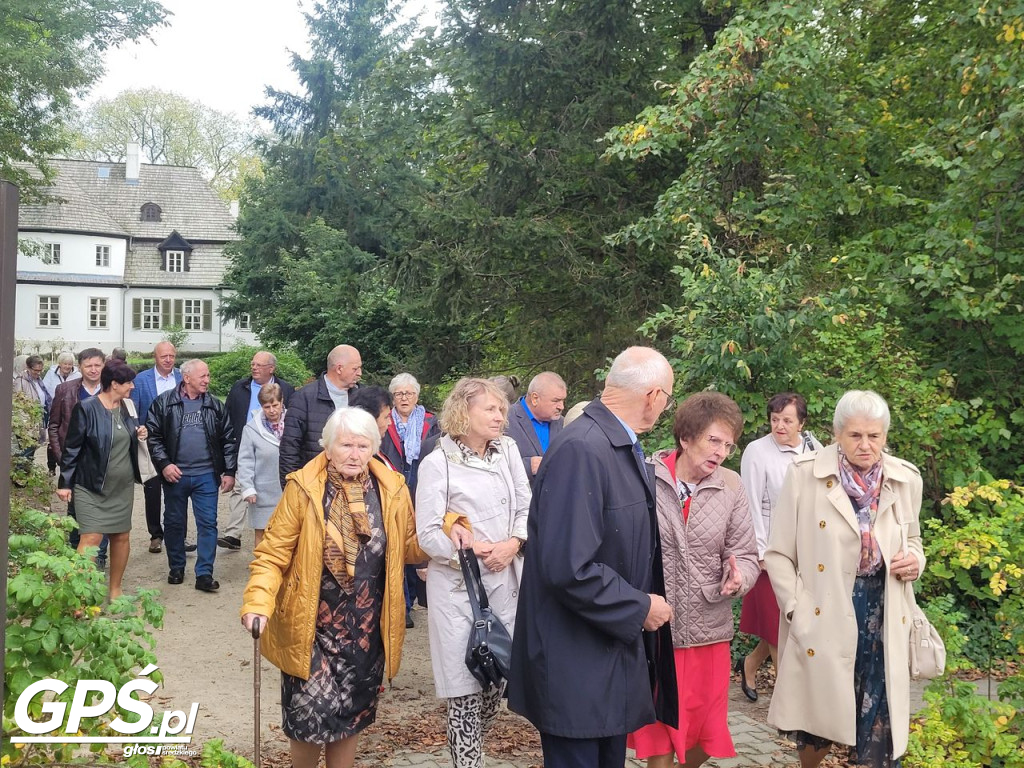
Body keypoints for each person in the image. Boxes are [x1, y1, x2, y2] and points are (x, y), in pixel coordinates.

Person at [508, 347, 677, 768]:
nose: (665, 407)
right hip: (575, 666)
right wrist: (640, 607)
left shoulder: (615, 444)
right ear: (654, 396)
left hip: (605, 658)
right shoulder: (583, 449)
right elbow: (569, 567)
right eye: (668, 398)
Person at [241, 407, 436, 768]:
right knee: (308, 717)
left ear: (374, 448)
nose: (354, 454)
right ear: (328, 447)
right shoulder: (303, 488)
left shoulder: (391, 489)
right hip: (311, 624)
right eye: (346, 445)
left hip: (364, 629)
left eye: (363, 446)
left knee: (350, 715)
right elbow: (272, 554)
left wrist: (449, 524)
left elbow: (413, 544)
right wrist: (258, 601)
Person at [765, 390, 925, 768]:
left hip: (883, 610)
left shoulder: (905, 479)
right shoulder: (806, 475)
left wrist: (915, 560)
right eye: (855, 435)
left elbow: (914, 539)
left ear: (885, 435)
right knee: (819, 718)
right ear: (837, 434)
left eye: (874, 435)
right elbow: (778, 554)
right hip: (825, 607)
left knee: (879, 714)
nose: (865, 445)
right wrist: (796, 609)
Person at [627, 392, 760, 768]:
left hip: (708, 629)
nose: (720, 451)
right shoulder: (644, 477)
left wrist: (740, 576)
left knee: (707, 734)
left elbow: (745, 554)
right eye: (713, 440)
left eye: (728, 444)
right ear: (686, 438)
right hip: (657, 628)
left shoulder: (731, 486)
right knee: (660, 735)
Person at [415, 377, 531, 768]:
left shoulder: (508, 451)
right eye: (491, 410)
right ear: (464, 413)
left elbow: (526, 505)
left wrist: (513, 543)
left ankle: (472, 751)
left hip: (506, 581)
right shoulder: (438, 462)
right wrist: (472, 550)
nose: (501, 417)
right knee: (464, 689)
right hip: (458, 593)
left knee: (496, 680)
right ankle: (469, 762)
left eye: (502, 410)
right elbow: (428, 532)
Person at [736, 392, 823, 701]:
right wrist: (759, 553)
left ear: (802, 422)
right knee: (776, 622)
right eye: (775, 419)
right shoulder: (757, 452)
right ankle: (791, 700)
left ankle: (750, 664)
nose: (780, 426)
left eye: (787, 420)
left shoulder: (815, 449)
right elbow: (750, 504)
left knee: (795, 618)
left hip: (807, 550)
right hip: (770, 551)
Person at [55, 360, 147, 600]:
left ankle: (115, 591)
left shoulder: (128, 407)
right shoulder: (86, 408)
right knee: (91, 538)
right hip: (91, 486)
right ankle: (81, 597)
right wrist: (64, 483)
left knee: (121, 536)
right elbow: (71, 448)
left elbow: (128, 436)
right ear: (114, 384)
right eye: (128, 382)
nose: (133, 387)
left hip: (122, 487)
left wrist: (140, 434)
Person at [146, 359, 236, 592]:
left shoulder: (215, 405)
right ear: (187, 378)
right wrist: (164, 464)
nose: (207, 380)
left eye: (208, 376)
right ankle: (176, 566)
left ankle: (204, 573)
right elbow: (153, 437)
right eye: (203, 376)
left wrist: (229, 471)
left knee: (208, 524)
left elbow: (228, 439)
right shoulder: (164, 403)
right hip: (176, 475)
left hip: (206, 474)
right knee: (174, 523)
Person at [219, 351, 295, 551]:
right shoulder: (239, 388)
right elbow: (227, 418)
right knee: (244, 499)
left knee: (286, 530)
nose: (254, 368)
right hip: (253, 457)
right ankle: (233, 534)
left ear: (271, 368)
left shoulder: (286, 390)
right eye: (252, 364)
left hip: (286, 482)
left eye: (259, 365)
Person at [48, 348, 107, 558]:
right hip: (73, 463)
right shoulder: (65, 390)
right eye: (88, 365)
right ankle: (76, 555)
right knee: (74, 511)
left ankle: (99, 557)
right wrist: (61, 457)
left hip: (102, 464)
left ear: (103, 366)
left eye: (97, 365)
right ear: (79, 367)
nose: (93, 370)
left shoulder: (110, 390)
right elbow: (54, 425)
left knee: (103, 510)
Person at [279, 344, 362, 486]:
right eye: (355, 368)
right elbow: (290, 449)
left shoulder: (362, 397)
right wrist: (290, 489)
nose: (360, 373)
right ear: (339, 368)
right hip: (314, 485)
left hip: (354, 486)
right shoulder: (303, 398)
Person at [130, 341, 183, 554]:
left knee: (177, 490)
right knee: (152, 491)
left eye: (171, 356)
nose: (168, 360)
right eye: (164, 356)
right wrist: (137, 431)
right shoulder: (141, 380)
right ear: (155, 357)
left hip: (178, 444)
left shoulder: (182, 377)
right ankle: (156, 535)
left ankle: (177, 534)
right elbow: (132, 411)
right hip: (151, 443)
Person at [235, 383, 287, 552]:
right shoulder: (251, 429)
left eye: (275, 405)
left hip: (289, 488)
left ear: (282, 403)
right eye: (267, 407)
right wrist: (248, 487)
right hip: (262, 490)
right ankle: (262, 572)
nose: (272, 410)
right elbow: (245, 460)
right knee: (262, 533)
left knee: (288, 533)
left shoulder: (294, 423)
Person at [504, 371, 567, 485]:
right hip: (522, 500)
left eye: (563, 400)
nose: (561, 406)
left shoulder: (562, 423)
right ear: (535, 398)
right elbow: (489, 467)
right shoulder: (505, 420)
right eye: (556, 401)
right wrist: (528, 466)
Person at [381, 373, 437, 490]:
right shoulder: (384, 421)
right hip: (391, 479)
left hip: (423, 478)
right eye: (399, 394)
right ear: (393, 398)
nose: (404, 398)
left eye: (409, 394)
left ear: (416, 397)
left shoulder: (431, 421)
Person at [13, 355, 50, 451]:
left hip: (38, 418)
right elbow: (18, 405)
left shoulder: (38, 380)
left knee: (33, 449)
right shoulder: (21, 380)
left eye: (40, 370)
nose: (38, 373)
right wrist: (26, 425)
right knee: (26, 451)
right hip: (27, 423)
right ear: (28, 368)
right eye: (36, 370)